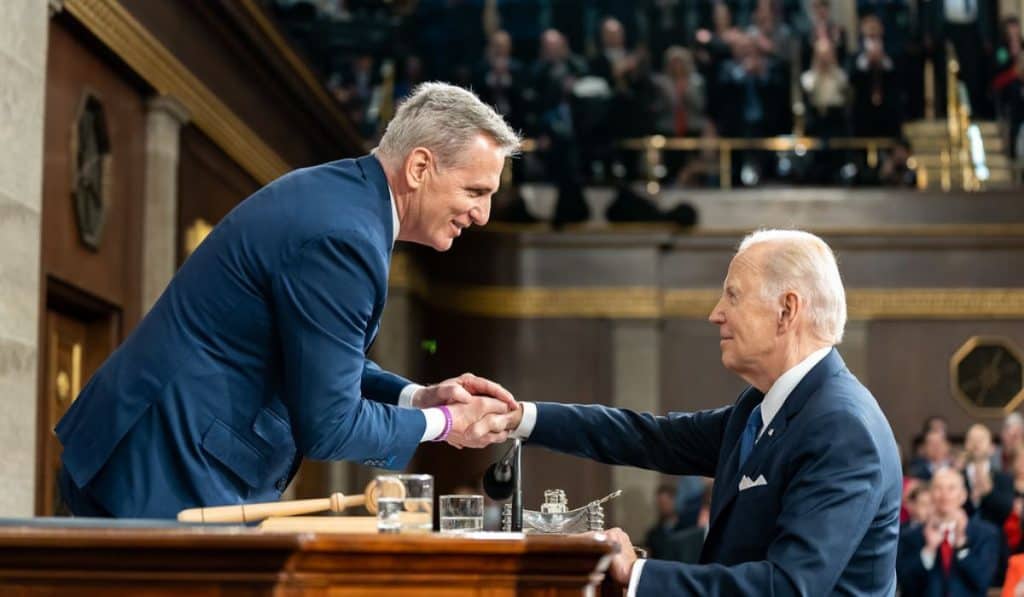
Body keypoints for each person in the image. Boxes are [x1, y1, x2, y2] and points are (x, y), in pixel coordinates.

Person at [56, 82, 522, 518]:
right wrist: (444, 423)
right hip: (164, 469)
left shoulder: (345, 202)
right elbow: (331, 425)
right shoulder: (346, 238)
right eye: (475, 191)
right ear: (420, 168)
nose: (481, 215)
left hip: (160, 454)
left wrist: (415, 397)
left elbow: (317, 352)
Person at [488, 229, 902, 595]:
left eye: (733, 295)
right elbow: (650, 437)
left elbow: (788, 587)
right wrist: (519, 417)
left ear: (787, 310)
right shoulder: (759, 406)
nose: (715, 313)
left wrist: (638, 575)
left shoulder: (842, 427)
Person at [896, 467, 999, 597]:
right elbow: (906, 584)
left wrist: (962, 544)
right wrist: (928, 551)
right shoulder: (910, 536)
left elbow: (982, 580)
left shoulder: (985, 534)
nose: (944, 494)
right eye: (938, 488)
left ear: (963, 496)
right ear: (931, 494)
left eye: (951, 488)